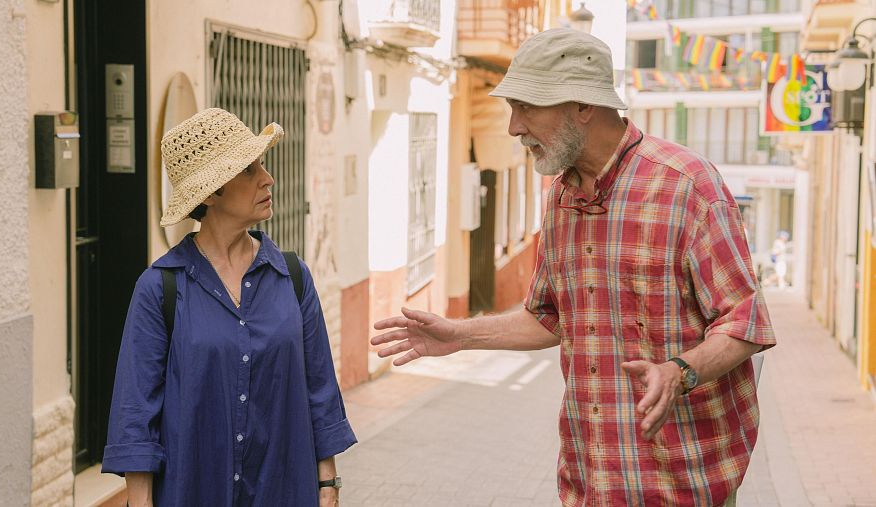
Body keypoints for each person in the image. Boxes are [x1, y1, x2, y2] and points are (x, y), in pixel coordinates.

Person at [372, 29, 776, 506]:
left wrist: (679, 372)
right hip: (592, 481)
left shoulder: (688, 186)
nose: (513, 128)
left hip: (682, 482)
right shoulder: (562, 196)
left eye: (527, 107)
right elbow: (550, 317)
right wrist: (461, 336)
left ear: (584, 104)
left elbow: (746, 322)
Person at [101, 108, 356, 506]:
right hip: (193, 490)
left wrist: (328, 484)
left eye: (262, 165)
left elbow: (319, 389)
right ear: (211, 193)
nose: (267, 178)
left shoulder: (292, 277)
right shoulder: (160, 288)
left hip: (283, 489)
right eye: (248, 170)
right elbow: (136, 411)